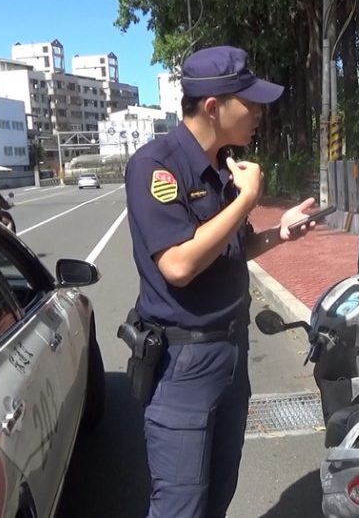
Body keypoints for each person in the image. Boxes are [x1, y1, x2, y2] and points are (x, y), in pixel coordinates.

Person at [124, 45, 318, 518]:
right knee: (181, 505)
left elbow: (231, 246)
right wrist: (247, 200)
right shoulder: (157, 166)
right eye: (249, 103)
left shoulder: (221, 168)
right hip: (183, 362)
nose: (258, 114)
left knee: (218, 492)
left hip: (232, 352)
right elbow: (178, 265)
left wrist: (278, 233)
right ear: (213, 107)